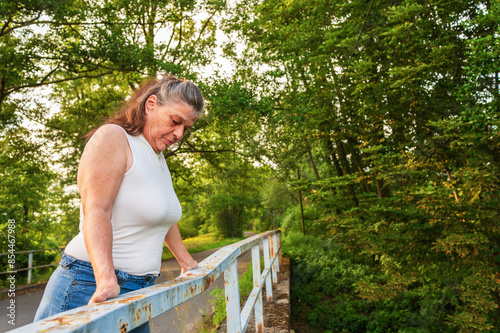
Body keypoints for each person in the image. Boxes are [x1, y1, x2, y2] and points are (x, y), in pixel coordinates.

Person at [34, 75, 203, 332]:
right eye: (175, 121)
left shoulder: (157, 159)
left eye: (186, 128)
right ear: (151, 104)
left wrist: (187, 262)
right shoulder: (114, 137)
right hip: (90, 283)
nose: (179, 134)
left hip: (138, 290)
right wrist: (106, 279)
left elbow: (162, 218)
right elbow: (96, 209)